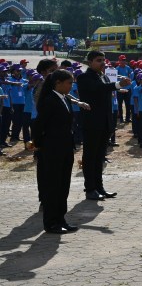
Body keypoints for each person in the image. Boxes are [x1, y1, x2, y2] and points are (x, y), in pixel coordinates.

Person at [76, 51, 132, 200]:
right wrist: (118, 84)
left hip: (104, 123)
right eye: (98, 60)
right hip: (92, 123)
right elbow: (99, 89)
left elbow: (106, 93)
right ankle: (90, 189)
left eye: (104, 60)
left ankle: (99, 187)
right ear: (90, 62)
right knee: (90, 157)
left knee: (100, 157)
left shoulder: (104, 76)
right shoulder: (84, 77)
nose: (102, 63)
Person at [30, 70, 78, 233]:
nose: (71, 86)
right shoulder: (49, 100)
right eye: (69, 82)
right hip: (52, 149)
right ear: (58, 83)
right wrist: (39, 145)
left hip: (65, 148)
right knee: (53, 186)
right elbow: (38, 125)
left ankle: (60, 219)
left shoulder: (64, 99)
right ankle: (51, 222)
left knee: (63, 185)